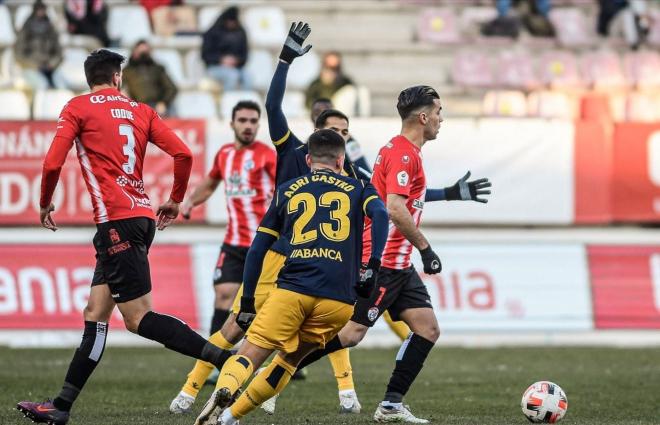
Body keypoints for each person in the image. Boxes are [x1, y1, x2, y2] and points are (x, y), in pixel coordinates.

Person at [15, 49, 233, 425]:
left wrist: (44, 202)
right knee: (96, 314)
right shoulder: (141, 110)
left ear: (90, 78)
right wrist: (176, 200)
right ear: (118, 77)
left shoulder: (78, 107)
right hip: (141, 216)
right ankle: (61, 406)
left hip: (115, 220)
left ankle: (228, 361)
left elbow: (52, 162)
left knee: (137, 318)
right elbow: (182, 153)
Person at [290, 85, 492, 424]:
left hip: (400, 267)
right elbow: (396, 208)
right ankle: (281, 366)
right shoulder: (402, 153)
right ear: (424, 116)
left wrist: (452, 194)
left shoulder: (405, 151)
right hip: (382, 263)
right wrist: (426, 248)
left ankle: (391, 405)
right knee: (351, 335)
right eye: (439, 112)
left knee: (427, 329)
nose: (441, 119)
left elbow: (404, 194)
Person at [195, 129, 390, 425]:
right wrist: (372, 265)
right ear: (341, 161)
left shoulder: (287, 189)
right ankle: (230, 418)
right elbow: (381, 216)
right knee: (289, 361)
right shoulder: (359, 188)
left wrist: (247, 300)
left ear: (309, 159)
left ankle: (226, 388)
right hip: (338, 302)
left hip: (292, 290)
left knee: (249, 353)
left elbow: (258, 248)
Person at [168, 101, 276, 414]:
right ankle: (216, 358)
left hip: (264, 245)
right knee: (224, 295)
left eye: (253, 121)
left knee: (260, 308)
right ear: (232, 124)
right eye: (242, 120)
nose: (248, 125)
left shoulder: (268, 155)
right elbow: (212, 181)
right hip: (234, 242)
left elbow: (285, 188)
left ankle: (252, 365)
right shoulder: (225, 155)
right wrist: (190, 202)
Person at [14, 0, 65, 90]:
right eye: (39, 10)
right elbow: (19, 55)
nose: (41, 12)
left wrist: (52, 64)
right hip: (31, 68)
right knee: (42, 85)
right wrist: (34, 66)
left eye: (43, 10)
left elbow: (59, 53)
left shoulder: (51, 30)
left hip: (50, 68)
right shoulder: (26, 30)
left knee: (62, 86)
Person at [122, 40, 178, 116]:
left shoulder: (158, 68)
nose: (143, 55)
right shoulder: (126, 71)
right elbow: (119, 88)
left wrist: (164, 103)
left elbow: (171, 88)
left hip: (157, 107)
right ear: (134, 52)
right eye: (140, 52)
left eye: (145, 52)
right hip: (137, 108)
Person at [202, 6, 251, 91]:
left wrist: (236, 60)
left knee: (249, 77)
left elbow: (244, 56)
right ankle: (228, 101)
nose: (231, 24)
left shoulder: (240, 32)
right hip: (214, 67)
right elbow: (205, 55)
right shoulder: (212, 32)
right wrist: (221, 60)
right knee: (232, 75)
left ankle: (246, 102)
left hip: (236, 67)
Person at [481, 0, 555, 38]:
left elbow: (544, 11)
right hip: (512, 22)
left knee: (543, 26)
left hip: (532, 22)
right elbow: (502, 11)